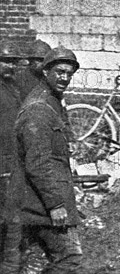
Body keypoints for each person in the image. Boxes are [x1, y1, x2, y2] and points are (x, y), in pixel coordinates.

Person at [10, 46, 83, 274]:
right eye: (60, 72)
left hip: (37, 199)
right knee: (70, 258)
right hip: (40, 203)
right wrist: (56, 205)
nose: (65, 78)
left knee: (29, 260)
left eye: (69, 74)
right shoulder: (39, 109)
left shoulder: (52, 101)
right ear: (45, 71)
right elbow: (38, 164)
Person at [0, 42, 23, 273]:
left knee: (13, 214)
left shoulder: (12, 86)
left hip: (12, 159)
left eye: (13, 62)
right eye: (5, 61)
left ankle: (10, 263)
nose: (10, 66)